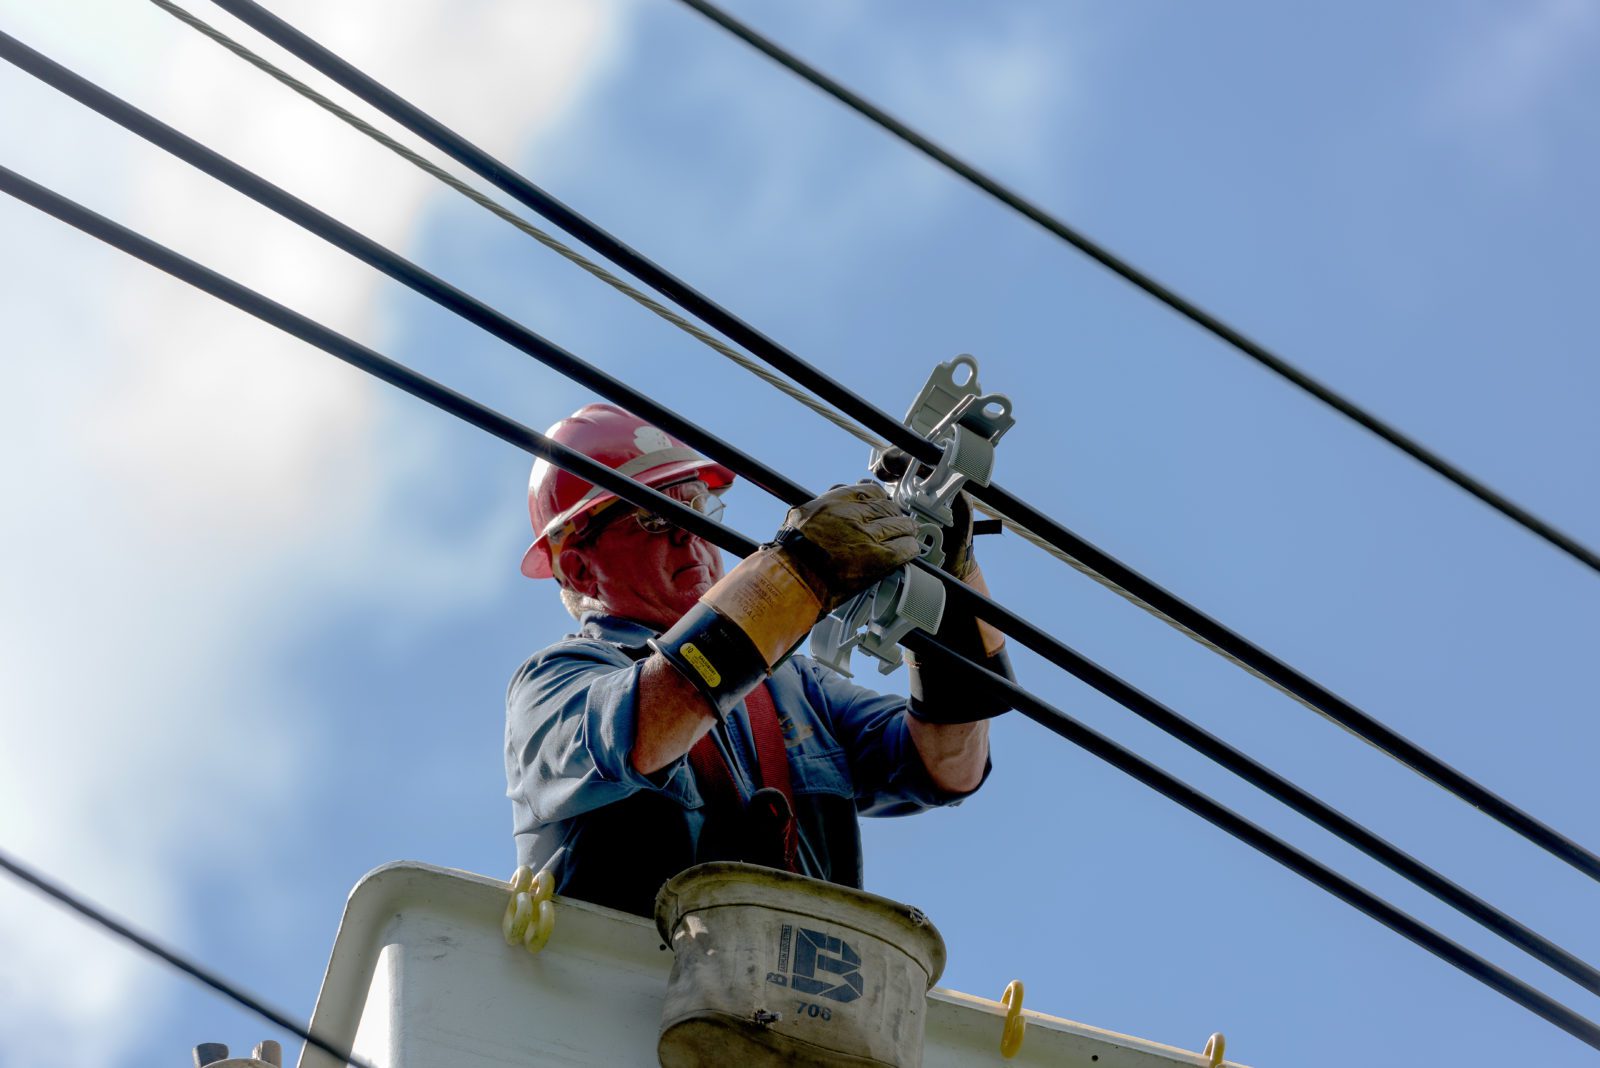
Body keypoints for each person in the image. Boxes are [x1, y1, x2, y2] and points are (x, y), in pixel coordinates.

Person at [504, 403, 1014, 916]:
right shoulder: (555, 680)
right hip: (623, 984)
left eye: (700, 508)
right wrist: (798, 573)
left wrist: (950, 592)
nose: (691, 534)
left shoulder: (795, 688)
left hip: (798, 987)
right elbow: (654, 720)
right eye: (656, 517)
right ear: (580, 569)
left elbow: (950, 765)